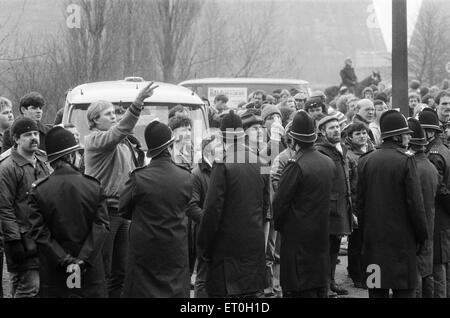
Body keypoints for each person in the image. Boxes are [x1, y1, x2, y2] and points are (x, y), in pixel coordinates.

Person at [84, 82, 158, 298]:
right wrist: (137, 103)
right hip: (104, 213)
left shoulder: (122, 143)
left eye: (114, 113)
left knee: (121, 271)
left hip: (123, 212)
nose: (114, 116)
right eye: (107, 114)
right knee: (103, 270)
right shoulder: (95, 140)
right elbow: (120, 131)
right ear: (95, 120)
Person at [28, 126, 110, 298]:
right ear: (72, 156)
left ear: (52, 161)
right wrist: (83, 259)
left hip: (55, 273)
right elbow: (101, 226)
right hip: (89, 273)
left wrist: (65, 260)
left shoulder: (39, 190)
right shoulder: (93, 186)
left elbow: (39, 232)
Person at [197, 110, 270, 298]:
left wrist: (203, 245)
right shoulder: (261, 161)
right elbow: (264, 207)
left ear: (221, 136)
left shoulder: (222, 164)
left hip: (227, 251)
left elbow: (212, 210)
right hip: (253, 245)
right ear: (242, 134)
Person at [356, 110, 428, 298]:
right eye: (405, 133)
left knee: (376, 291)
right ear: (396, 136)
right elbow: (416, 205)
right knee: (404, 292)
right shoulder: (406, 161)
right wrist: (422, 237)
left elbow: (360, 206)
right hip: (402, 246)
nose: (408, 137)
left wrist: (364, 236)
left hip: (373, 244)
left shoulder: (365, 161)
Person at [119, 121, 192, 298]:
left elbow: (123, 209)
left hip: (145, 249)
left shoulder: (139, 177)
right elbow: (188, 207)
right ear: (170, 146)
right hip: (175, 246)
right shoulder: (185, 176)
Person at [273, 111, 335, 298]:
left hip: (297, 238)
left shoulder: (295, 165)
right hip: (321, 233)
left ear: (293, 139)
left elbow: (280, 203)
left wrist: (280, 225)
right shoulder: (328, 162)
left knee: (298, 287)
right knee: (318, 285)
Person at [0, 118, 50, 298]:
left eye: (35, 133)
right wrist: (14, 241)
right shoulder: (7, 167)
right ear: (16, 139)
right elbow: (4, 208)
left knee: (31, 286)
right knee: (29, 287)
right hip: (22, 238)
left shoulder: (44, 161)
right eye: (28, 134)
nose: (34, 137)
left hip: (42, 237)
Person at [316, 116, 353, 296]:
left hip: (342, 204)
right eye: (331, 128)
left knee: (335, 245)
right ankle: (324, 284)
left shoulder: (341, 148)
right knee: (325, 246)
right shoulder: (321, 151)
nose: (336, 130)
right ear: (323, 132)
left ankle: (331, 282)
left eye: (338, 127)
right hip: (328, 206)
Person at [418, 109, 450, 298]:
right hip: (443, 218)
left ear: (429, 132)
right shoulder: (444, 149)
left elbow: (438, 188)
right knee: (444, 265)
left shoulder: (433, 155)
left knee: (436, 268)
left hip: (437, 216)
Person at [406, 118, 439, 298]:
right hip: (429, 225)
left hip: (417, 229)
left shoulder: (414, 168)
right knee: (427, 273)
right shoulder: (429, 167)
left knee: (417, 274)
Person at [186, 135, 222, 298]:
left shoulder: (218, 169)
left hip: (216, 230)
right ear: (210, 150)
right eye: (219, 146)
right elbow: (191, 206)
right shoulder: (197, 174)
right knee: (203, 275)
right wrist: (211, 222)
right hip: (203, 231)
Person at [343, 122, 374, 289]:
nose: (362, 136)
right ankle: (357, 276)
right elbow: (347, 183)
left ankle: (368, 276)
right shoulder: (348, 156)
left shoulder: (373, 150)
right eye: (358, 134)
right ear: (350, 137)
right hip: (356, 204)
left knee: (368, 243)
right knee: (356, 243)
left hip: (371, 203)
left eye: (364, 133)